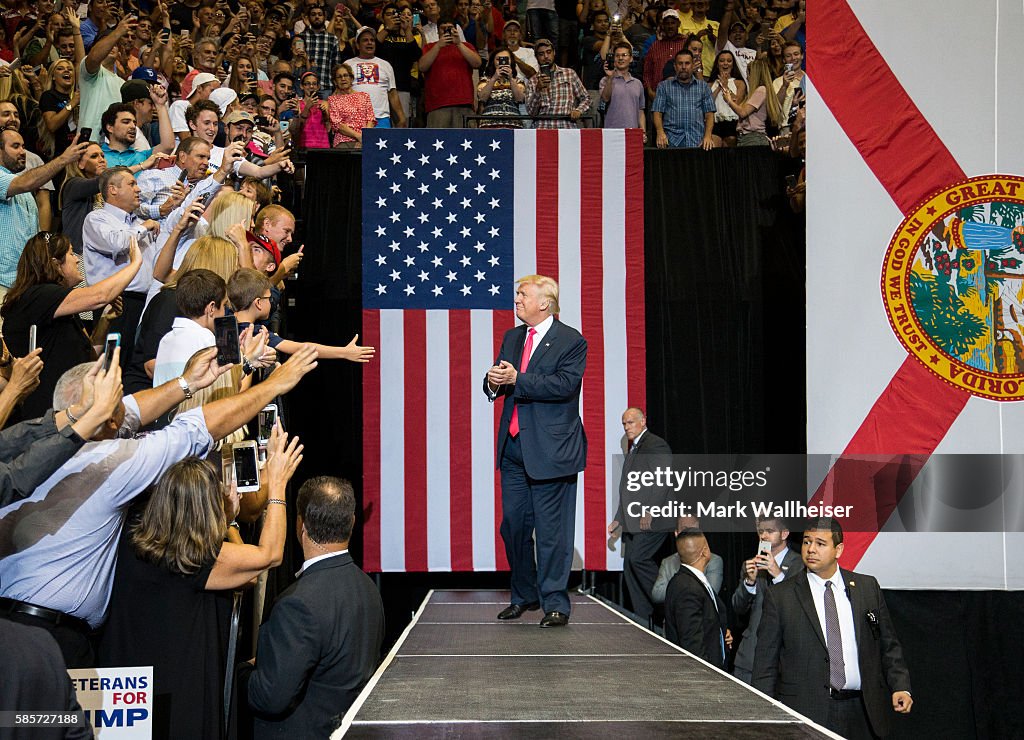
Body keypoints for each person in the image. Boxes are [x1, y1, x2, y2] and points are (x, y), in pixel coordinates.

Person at [0, 345, 320, 667]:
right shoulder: (108, 464)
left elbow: (124, 414)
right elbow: (197, 428)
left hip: (12, 626)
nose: (129, 408)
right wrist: (274, 385)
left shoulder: (24, 451)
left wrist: (187, 383)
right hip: (47, 643)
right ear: (107, 418)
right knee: (46, 721)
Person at [98, 427, 302, 740]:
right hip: (178, 703)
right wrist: (277, 485)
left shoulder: (136, 542)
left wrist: (228, 522)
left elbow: (243, 576)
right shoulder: (192, 560)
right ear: (203, 509)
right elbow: (270, 556)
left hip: (131, 698)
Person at [241, 476, 384, 738]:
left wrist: (243, 672)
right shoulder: (368, 589)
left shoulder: (296, 604)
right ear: (351, 523)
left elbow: (269, 698)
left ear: (301, 525)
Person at [485, 275, 586, 627]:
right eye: (517, 293)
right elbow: (500, 380)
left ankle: (555, 603)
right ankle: (524, 595)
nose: (516, 299)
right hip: (513, 448)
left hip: (552, 451)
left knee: (552, 532)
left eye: (522, 294)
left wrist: (517, 380)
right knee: (512, 525)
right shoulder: (512, 337)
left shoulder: (571, 340)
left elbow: (564, 385)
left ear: (544, 303)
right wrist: (492, 382)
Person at [753, 518, 914, 739]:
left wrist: (900, 685)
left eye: (820, 543)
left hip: (864, 711)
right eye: (807, 542)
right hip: (807, 712)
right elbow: (765, 662)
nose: (811, 549)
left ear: (838, 550)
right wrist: (766, 717)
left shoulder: (867, 588)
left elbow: (888, 644)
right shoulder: (781, 596)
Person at [0, 231, 141, 421]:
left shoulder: (62, 309)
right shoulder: (37, 296)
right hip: (42, 419)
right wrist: (136, 263)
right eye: (71, 253)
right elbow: (100, 296)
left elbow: (88, 355)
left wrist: (105, 321)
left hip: (68, 412)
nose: (76, 260)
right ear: (56, 264)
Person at [0, 131, 89, 304]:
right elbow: (27, 182)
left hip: (25, 283)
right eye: (15, 146)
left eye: (24, 146)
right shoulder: (18, 183)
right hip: (2, 283)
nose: (23, 152)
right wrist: (65, 158)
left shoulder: (22, 188)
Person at [606, 407, 670, 621]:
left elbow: (662, 480)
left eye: (630, 422)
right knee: (630, 569)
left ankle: (670, 599)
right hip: (634, 521)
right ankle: (644, 618)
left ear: (643, 421)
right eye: (624, 424)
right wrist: (618, 518)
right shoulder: (635, 448)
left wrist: (650, 509)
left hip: (653, 519)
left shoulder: (655, 444)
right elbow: (628, 489)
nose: (626, 427)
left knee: (638, 559)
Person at [731, 517, 802, 684]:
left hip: (783, 660)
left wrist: (778, 575)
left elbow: (797, 607)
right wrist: (749, 582)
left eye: (770, 531)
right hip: (749, 657)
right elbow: (737, 608)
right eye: (761, 531)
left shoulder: (799, 564)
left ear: (784, 533)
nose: (763, 536)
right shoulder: (750, 564)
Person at [664, 529, 732, 668]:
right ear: (705, 551)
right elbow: (693, 645)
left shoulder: (688, 581)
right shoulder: (687, 588)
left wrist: (719, 634)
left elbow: (704, 621)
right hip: (704, 678)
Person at [419, 19, 482, 128]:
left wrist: (459, 44)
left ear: (456, 30)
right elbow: (422, 67)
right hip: (437, 105)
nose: (447, 31)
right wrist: (438, 46)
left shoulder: (466, 46)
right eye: (443, 29)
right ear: (438, 32)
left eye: (451, 28)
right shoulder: (429, 47)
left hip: (464, 104)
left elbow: (477, 63)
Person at [652, 49, 714, 149]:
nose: (684, 67)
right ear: (675, 66)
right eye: (680, 63)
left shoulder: (703, 87)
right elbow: (657, 112)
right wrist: (660, 133)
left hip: (698, 141)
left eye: (687, 63)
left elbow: (709, 115)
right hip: (671, 142)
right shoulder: (664, 86)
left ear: (693, 65)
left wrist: (707, 136)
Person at [345, 27, 406, 129]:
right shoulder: (347, 65)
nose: (370, 43)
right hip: (355, 118)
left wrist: (401, 117)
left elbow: (392, 93)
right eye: (365, 40)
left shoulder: (385, 65)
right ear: (357, 45)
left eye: (372, 40)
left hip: (381, 118)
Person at [524, 38, 589, 129]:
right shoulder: (533, 81)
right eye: (541, 54)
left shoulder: (569, 73)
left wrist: (578, 110)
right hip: (542, 128)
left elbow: (586, 98)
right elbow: (531, 112)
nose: (546, 56)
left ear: (554, 53)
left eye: (549, 52)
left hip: (565, 125)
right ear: (536, 57)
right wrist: (538, 90)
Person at [723, 58, 781, 147]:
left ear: (755, 75)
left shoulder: (761, 90)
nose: (747, 77)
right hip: (747, 138)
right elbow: (739, 106)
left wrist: (729, 101)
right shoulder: (755, 93)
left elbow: (742, 113)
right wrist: (726, 88)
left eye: (748, 74)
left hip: (753, 139)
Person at [600, 41, 645, 136]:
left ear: (631, 58)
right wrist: (610, 77)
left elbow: (640, 111)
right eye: (617, 56)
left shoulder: (637, 83)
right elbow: (605, 98)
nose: (620, 58)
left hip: (632, 133)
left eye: (624, 55)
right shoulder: (605, 80)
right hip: (611, 133)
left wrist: (643, 131)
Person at [327, 65, 375, 148]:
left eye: (346, 75)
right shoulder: (332, 99)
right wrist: (359, 137)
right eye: (339, 77)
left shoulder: (364, 96)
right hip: (344, 141)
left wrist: (365, 138)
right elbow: (338, 125)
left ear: (351, 78)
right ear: (335, 82)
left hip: (366, 139)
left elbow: (370, 119)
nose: (343, 79)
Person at [477, 48, 526, 128]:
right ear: (493, 62)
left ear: (511, 62)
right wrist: (494, 78)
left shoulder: (518, 81)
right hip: (489, 125)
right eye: (498, 59)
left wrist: (510, 79)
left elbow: (520, 99)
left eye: (506, 59)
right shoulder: (485, 80)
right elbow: (482, 98)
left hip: (513, 125)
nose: (502, 62)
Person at [708, 49, 745, 147]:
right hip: (715, 122)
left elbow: (737, 101)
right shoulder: (710, 84)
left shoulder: (739, 83)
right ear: (717, 64)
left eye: (729, 61)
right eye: (722, 61)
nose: (725, 64)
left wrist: (726, 86)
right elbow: (708, 103)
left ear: (733, 64)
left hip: (732, 122)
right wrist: (719, 87)